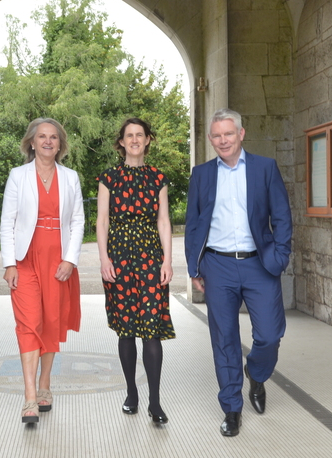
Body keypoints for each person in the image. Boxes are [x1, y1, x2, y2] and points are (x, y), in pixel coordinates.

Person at [185, 108, 292, 437]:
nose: (222, 141)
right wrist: (194, 265)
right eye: (216, 136)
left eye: (228, 134)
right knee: (224, 339)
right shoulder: (201, 174)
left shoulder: (264, 168)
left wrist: (280, 254)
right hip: (217, 266)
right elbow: (193, 224)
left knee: (270, 335)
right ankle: (231, 408)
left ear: (241, 134)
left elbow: (283, 217)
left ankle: (256, 374)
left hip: (259, 263)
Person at [0, 118, 83, 424]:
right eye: (42, 137)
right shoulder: (17, 176)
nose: (48, 141)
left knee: (50, 322)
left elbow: (77, 222)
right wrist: (9, 263)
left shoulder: (71, 177)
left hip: (58, 260)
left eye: (53, 137)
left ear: (60, 145)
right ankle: (30, 396)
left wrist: (70, 259)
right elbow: (7, 221)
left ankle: (46, 384)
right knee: (28, 322)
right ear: (31, 142)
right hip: (24, 259)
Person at [95, 118, 175, 425]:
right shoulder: (109, 177)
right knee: (126, 328)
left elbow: (164, 221)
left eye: (139, 134)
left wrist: (168, 260)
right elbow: (102, 221)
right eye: (129, 135)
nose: (134, 139)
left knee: (151, 327)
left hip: (150, 258)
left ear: (148, 139)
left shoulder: (158, 178)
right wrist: (103, 258)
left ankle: (155, 401)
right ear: (121, 142)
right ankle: (132, 392)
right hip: (119, 257)